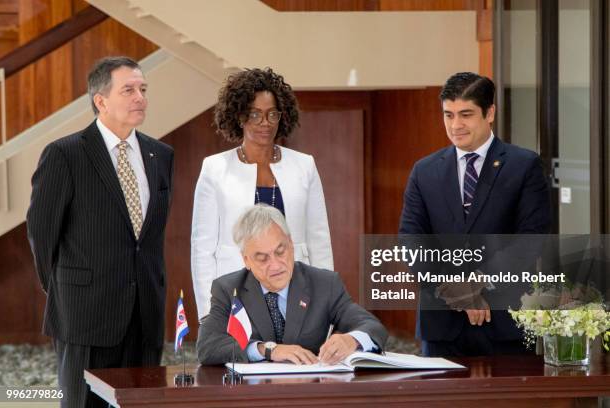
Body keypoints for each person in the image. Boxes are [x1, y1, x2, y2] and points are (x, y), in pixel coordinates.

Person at [26, 56, 174, 407]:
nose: (140, 97)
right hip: (85, 317)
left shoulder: (161, 154)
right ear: (101, 100)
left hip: (146, 315)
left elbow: (149, 239)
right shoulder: (65, 154)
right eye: (129, 90)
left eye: (143, 89)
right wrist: (66, 290)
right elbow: (41, 233)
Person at [398, 72, 551, 357]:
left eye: (466, 114)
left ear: (489, 112)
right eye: (448, 115)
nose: (456, 125)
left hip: (506, 323)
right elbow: (412, 240)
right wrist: (451, 288)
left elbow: (530, 240)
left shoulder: (524, 165)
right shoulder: (424, 171)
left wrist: (477, 281)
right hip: (441, 325)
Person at [191, 68, 333, 320]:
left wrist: (326, 304)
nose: (264, 122)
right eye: (254, 114)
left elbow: (319, 241)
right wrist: (208, 313)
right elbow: (203, 249)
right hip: (236, 292)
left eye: (272, 114)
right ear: (239, 116)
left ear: (282, 116)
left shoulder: (305, 165)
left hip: (294, 288)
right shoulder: (214, 168)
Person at [197, 204, 387, 365]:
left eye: (280, 251)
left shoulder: (324, 284)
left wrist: (351, 339)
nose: (275, 265)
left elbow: (372, 326)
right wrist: (266, 350)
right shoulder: (228, 289)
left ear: (291, 243)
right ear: (246, 260)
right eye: (262, 258)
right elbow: (207, 346)